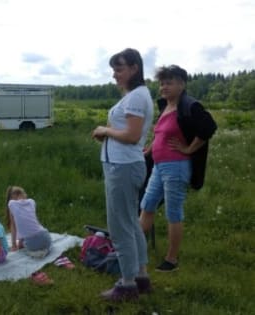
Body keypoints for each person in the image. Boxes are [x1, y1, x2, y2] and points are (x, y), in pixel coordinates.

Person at [139, 65, 217, 272]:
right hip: (158, 165)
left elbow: (209, 127)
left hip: (177, 167)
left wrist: (189, 149)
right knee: (147, 205)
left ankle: (171, 260)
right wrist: (150, 150)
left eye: (169, 83)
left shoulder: (189, 105)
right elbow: (161, 134)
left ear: (181, 84)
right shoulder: (166, 105)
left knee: (173, 212)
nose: (164, 87)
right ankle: (136, 249)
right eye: (162, 83)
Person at [92, 48, 154, 301]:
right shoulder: (136, 96)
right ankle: (141, 277)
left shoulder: (136, 97)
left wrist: (105, 130)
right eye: (114, 70)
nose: (114, 75)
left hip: (123, 167)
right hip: (123, 164)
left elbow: (132, 135)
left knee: (120, 225)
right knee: (130, 221)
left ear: (134, 69)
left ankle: (127, 284)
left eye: (119, 69)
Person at [6, 186, 52, 258]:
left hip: (31, 244)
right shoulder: (31, 202)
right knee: (35, 233)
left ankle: (37, 253)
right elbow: (33, 222)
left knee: (24, 245)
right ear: (24, 194)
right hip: (47, 239)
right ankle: (44, 250)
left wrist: (14, 245)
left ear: (11, 198)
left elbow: (13, 226)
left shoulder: (11, 204)